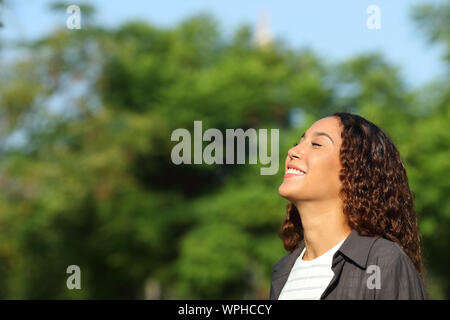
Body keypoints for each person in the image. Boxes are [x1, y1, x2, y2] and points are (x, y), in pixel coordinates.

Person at [270, 112, 427, 300]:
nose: (293, 151)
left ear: (355, 173)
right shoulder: (283, 272)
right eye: (299, 142)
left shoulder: (383, 262)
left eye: (316, 144)